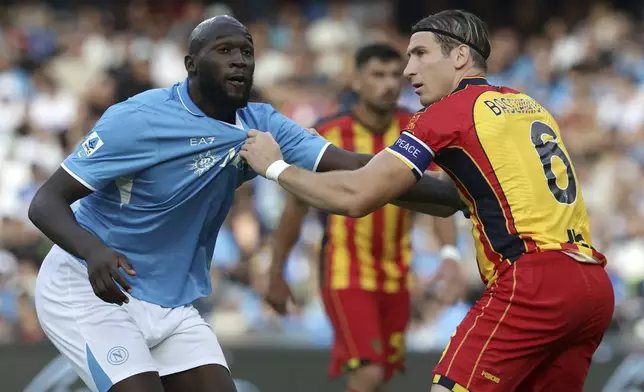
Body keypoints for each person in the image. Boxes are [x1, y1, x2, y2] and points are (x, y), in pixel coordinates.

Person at [28, 16, 464, 392]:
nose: (240, 60)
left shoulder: (261, 125)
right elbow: (45, 202)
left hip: (167, 300)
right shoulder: (139, 119)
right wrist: (93, 252)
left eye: (247, 51)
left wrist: (466, 194)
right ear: (191, 64)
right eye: (224, 50)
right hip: (91, 289)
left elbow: (357, 169)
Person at [240, 9, 615, 392]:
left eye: (420, 54)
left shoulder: (444, 113)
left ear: (459, 57)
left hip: (533, 282)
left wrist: (274, 168)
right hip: (591, 283)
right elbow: (456, 196)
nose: (407, 71)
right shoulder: (528, 105)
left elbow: (356, 196)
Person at [265, 43, 466, 392]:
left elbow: (440, 197)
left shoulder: (418, 128)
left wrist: (449, 255)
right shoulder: (326, 133)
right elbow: (295, 207)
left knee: (380, 376)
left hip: (398, 275)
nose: (389, 84)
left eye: (394, 75)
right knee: (368, 372)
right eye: (377, 75)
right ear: (357, 81)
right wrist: (275, 273)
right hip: (346, 273)